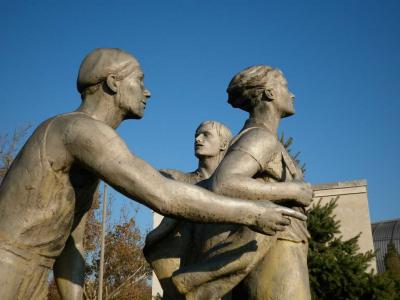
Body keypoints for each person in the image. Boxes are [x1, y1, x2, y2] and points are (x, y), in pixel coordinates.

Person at [0, 49, 308, 300]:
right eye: (139, 80)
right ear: (112, 83)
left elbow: (73, 243)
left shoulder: (83, 144)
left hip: (32, 273)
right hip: (8, 266)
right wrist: (254, 214)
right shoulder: (79, 130)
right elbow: (163, 194)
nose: (147, 92)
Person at [171, 65, 313, 300]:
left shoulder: (263, 137)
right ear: (269, 93)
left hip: (283, 247)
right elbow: (224, 183)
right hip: (277, 252)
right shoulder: (260, 137)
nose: (292, 94)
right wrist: (292, 190)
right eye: (285, 86)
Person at [144, 120, 233, 299]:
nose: (198, 139)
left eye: (206, 135)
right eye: (196, 136)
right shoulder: (176, 179)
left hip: (223, 279)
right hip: (183, 280)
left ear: (224, 144)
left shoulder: (235, 188)